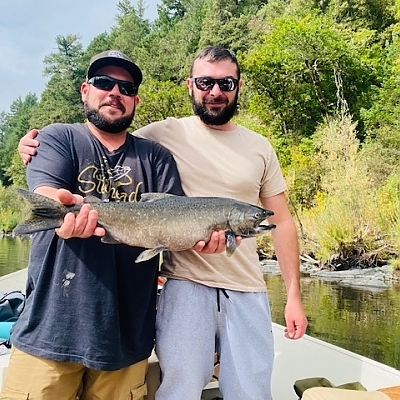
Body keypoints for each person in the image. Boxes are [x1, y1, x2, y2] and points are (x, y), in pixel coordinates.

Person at [19, 46, 308, 400]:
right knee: (180, 387)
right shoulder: (155, 136)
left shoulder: (250, 147)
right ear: (190, 85)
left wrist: (293, 295)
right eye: (205, 82)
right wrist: (34, 153)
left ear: (238, 86)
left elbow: (281, 221)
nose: (215, 91)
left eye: (225, 83)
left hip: (232, 293)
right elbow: (92, 139)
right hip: (177, 286)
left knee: (251, 389)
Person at [4, 49, 223, 400]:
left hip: (126, 342)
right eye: (105, 83)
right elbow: (46, 189)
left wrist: (201, 239)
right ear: (85, 90)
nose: (115, 93)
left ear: (135, 99)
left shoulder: (156, 157)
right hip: (48, 333)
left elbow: (176, 223)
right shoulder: (59, 138)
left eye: (127, 87)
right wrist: (63, 209)